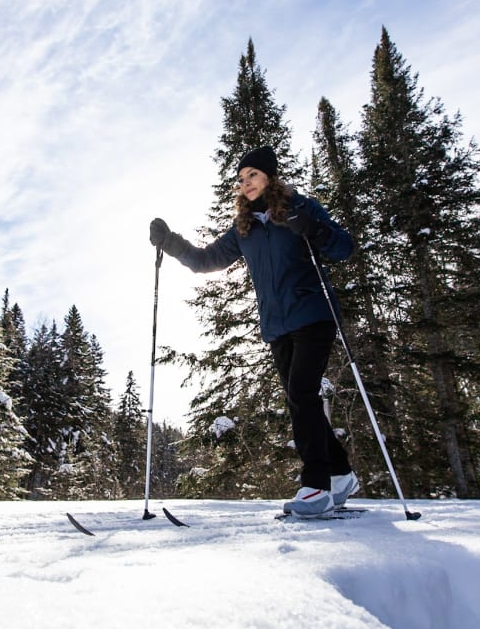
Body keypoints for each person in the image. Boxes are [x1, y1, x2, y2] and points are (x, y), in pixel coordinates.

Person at [149, 146, 359, 516]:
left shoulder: (300, 208)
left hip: (313, 313)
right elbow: (205, 260)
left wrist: (314, 229)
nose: (246, 183)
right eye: (242, 178)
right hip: (277, 326)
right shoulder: (243, 228)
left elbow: (344, 248)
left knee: (301, 392)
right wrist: (171, 242)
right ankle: (341, 474)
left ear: (270, 178)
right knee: (300, 398)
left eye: (253, 176)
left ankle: (316, 485)